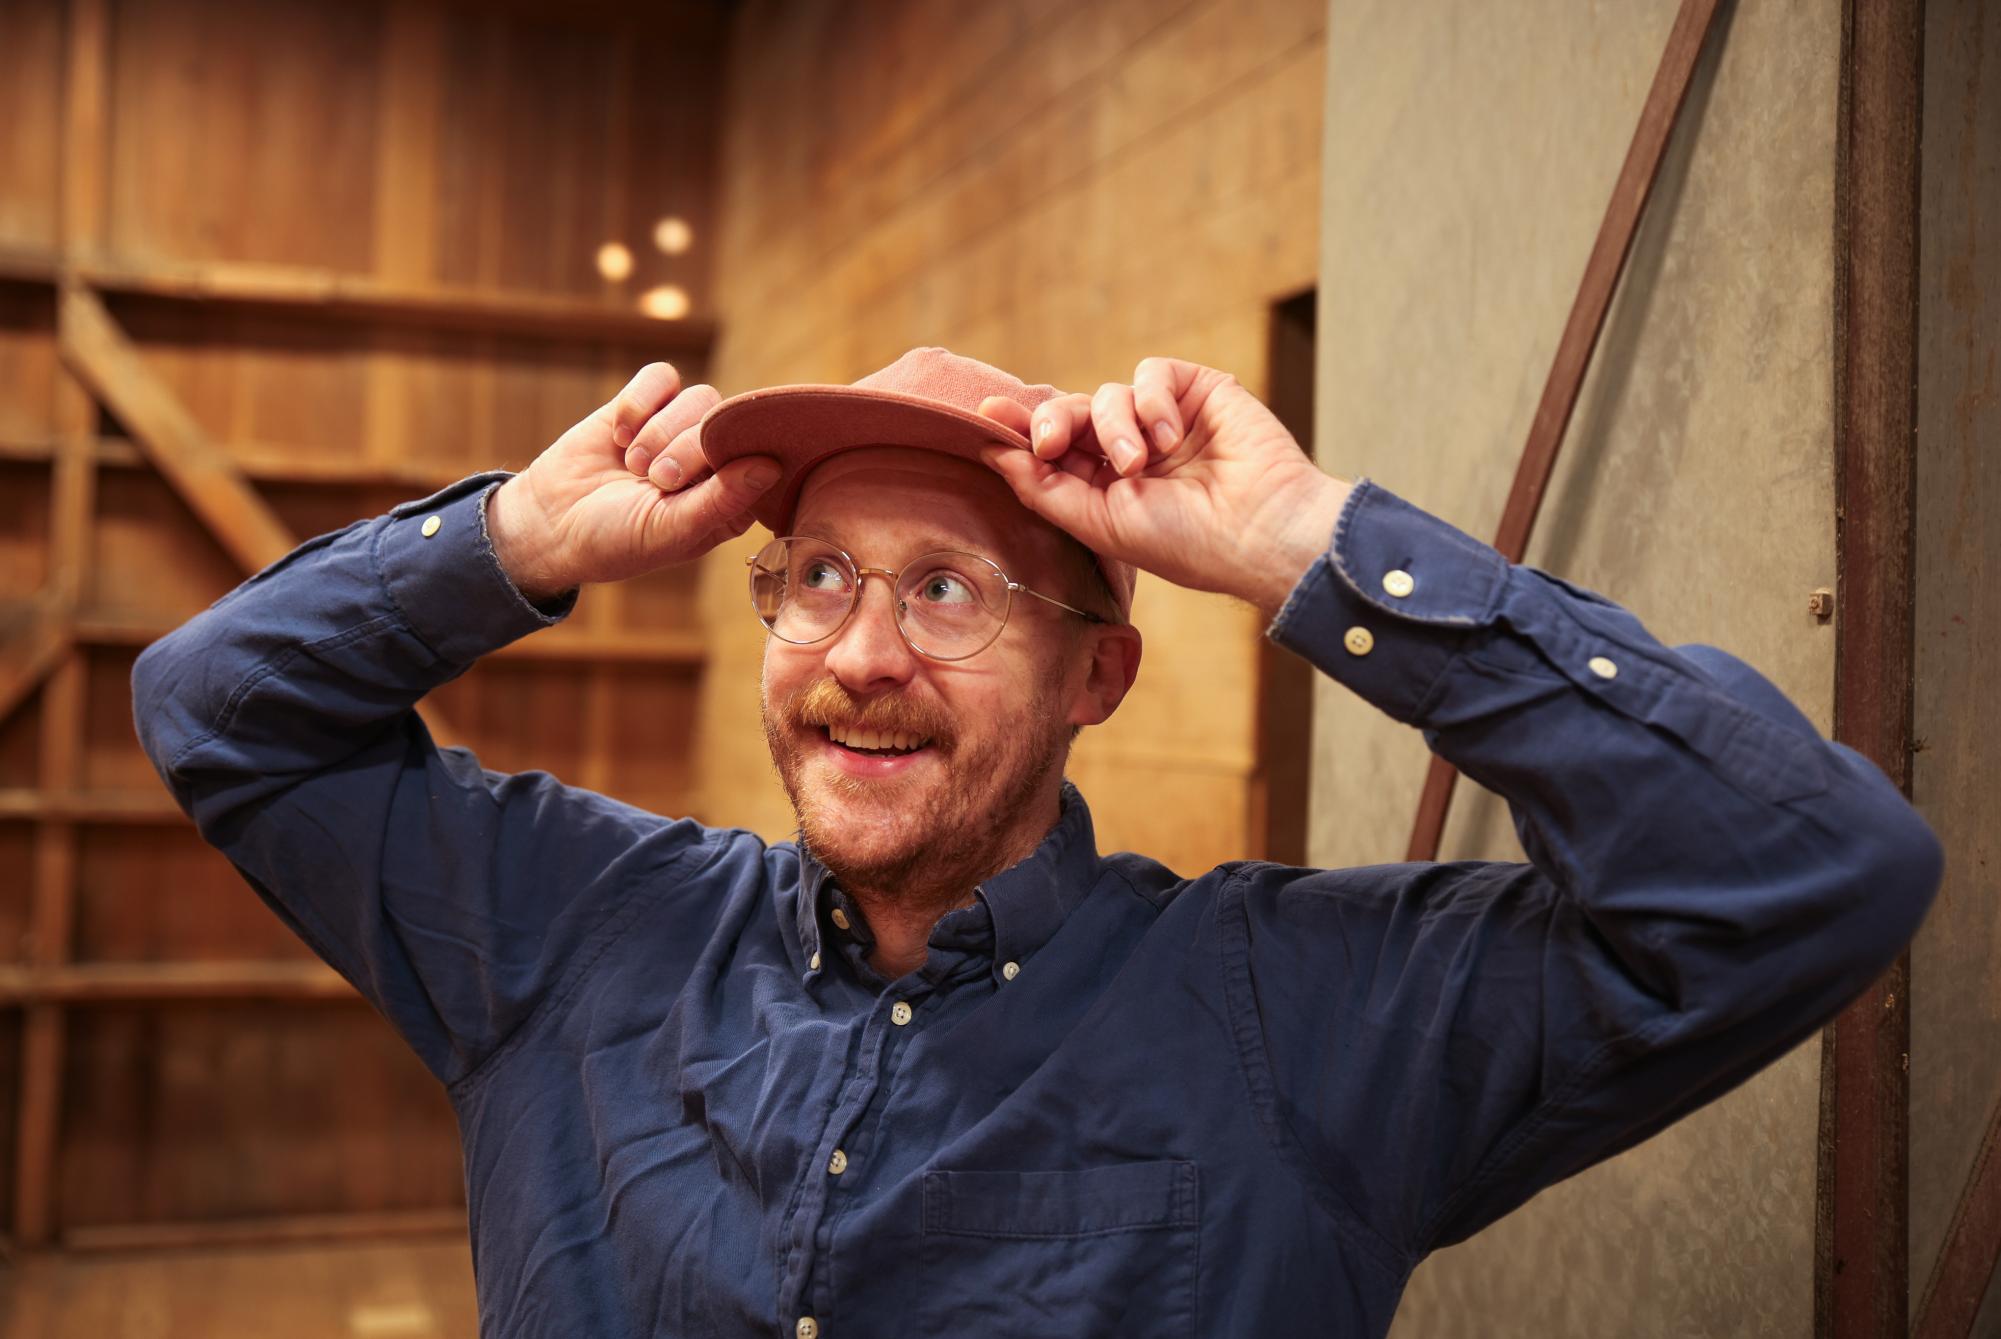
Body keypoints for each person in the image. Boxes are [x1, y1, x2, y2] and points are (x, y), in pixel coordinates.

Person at [132, 346, 1941, 1338]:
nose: (857, 655)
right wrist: (512, 540)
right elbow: (218, 710)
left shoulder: (1306, 1011)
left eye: (948, 591)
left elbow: (1805, 876)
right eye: (817, 580)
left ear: (1099, 678)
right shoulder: (572, 929)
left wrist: (1316, 543)